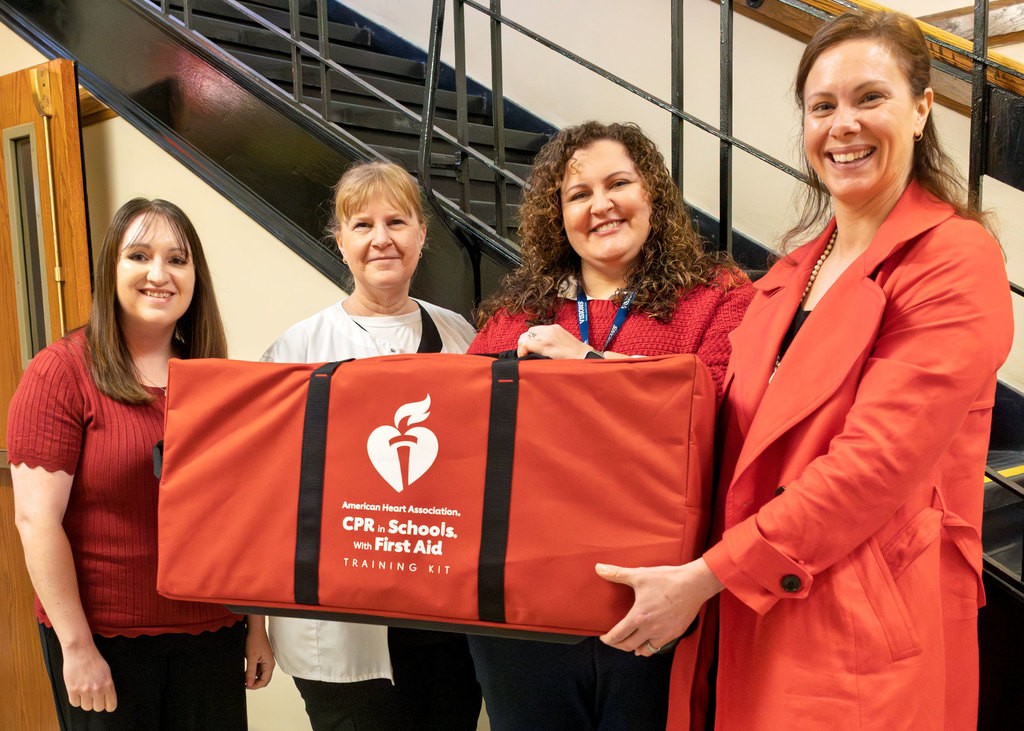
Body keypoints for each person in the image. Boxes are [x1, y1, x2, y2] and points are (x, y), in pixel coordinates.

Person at [598, 9, 1013, 730]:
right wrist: (595, 368)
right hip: (753, 599)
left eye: (869, 97)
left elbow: (872, 467)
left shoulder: (955, 260)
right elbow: (727, 406)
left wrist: (704, 578)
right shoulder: (795, 269)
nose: (842, 125)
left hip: (854, 624)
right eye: (822, 107)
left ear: (922, 109)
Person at [467, 121, 754, 730]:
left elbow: (719, 406)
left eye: (618, 183)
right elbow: (471, 435)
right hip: (525, 610)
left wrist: (588, 363)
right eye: (578, 194)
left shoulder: (719, 297)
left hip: (656, 601)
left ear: (652, 193)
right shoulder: (517, 314)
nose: (601, 205)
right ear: (558, 216)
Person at [8, 198, 274, 730]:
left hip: (213, 634)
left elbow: (239, 518)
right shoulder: (61, 372)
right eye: (139, 256)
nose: (159, 274)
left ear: (195, 276)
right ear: (111, 268)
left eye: (177, 259)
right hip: (106, 643)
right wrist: (76, 648)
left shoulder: (216, 376)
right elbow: (36, 521)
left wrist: (255, 626)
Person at [262, 161, 482, 730]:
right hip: (340, 624)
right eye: (362, 225)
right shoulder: (298, 349)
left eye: (397, 222)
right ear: (340, 241)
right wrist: (252, 621)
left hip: (446, 626)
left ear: (421, 235)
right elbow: (266, 495)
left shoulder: (462, 336)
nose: (381, 239)